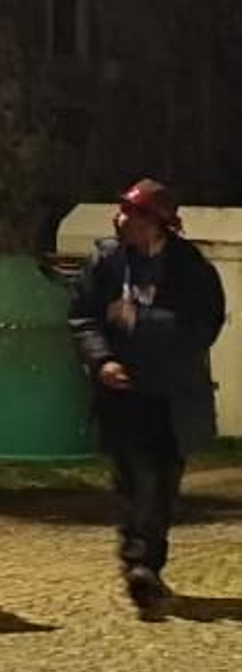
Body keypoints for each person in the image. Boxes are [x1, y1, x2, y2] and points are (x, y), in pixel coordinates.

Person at [68, 180, 226, 618]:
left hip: (172, 396)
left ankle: (148, 565)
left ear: (157, 224)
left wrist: (145, 320)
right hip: (123, 397)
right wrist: (101, 360)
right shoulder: (106, 260)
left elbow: (203, 325)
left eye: (133, 214)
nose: (121, 220)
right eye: (120, 212)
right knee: (134, 480)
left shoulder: (189, 268)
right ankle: (138, 564)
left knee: (163, 486)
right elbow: (82, 315)